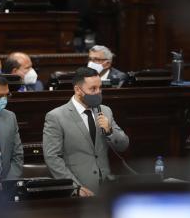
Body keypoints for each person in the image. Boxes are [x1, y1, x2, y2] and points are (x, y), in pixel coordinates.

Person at [43, 67, 129, 196]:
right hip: (79, 189)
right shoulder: (56, 116)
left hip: (107, 188)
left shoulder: (105, 111)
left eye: (100, 88)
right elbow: (52, 157)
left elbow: (123, 145)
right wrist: (75, 187)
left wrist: (110, 131)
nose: (98, 92)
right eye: (93, 89)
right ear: (78, 89)